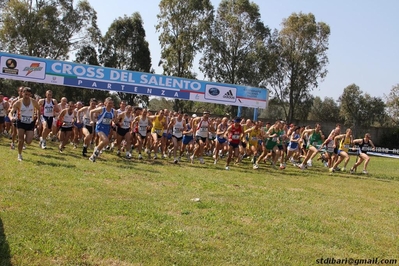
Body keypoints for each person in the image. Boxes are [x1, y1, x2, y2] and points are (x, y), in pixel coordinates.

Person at [8, 87, 41, 161]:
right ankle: (19, 155)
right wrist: (11, 118)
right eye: (25, 94)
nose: (27, 96)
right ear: (22, 93)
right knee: (20, 140)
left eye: (28, 95)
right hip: (21, 122)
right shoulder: (18, 102)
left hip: (30, 123)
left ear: (31, 95)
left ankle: (26, 137)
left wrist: (38, 119)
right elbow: (11, 112)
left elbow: (39, 109)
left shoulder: (34, 102)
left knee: (28, 141)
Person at [88, 97, 117, 162]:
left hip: (107, 128)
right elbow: (91, 111)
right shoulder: (101, 109)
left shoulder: (113, 111)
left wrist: (113, 123)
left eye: (111, 103)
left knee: (103, 142)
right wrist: (91, 120)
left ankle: (94, 154)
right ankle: (94, 153)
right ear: (105, 103)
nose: (110, 105)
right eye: (109, 103)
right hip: (100, 127)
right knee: (106, 140)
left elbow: (112, 119)